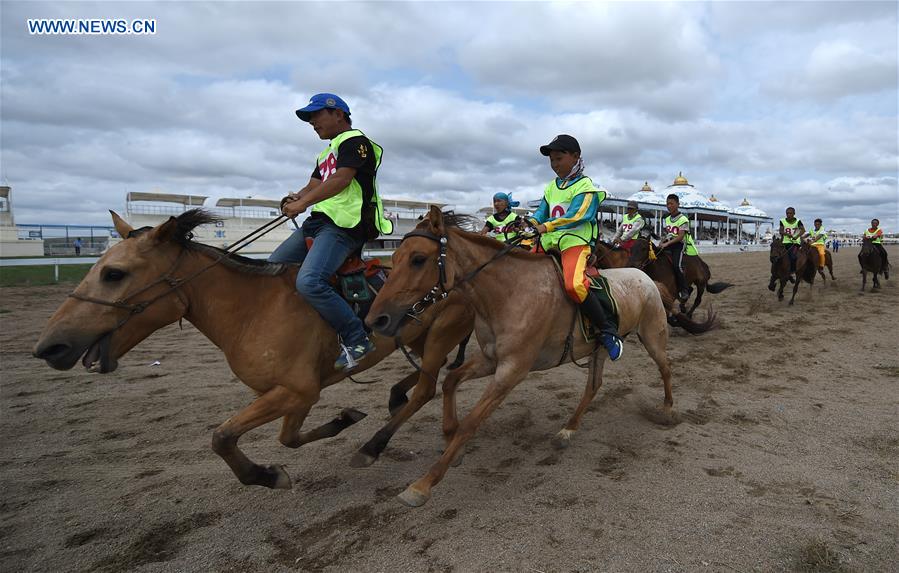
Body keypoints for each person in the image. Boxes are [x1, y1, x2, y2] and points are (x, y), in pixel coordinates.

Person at [269, 93, 393, 370]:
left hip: (345, 225)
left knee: (310, 281)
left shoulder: (355, 141)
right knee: (271, 268)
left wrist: (302, 203)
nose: (312, 122)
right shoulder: (327, 151)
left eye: (316, 115)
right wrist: (295, 199)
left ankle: (356, 338)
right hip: (320, 221)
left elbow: (341, 179)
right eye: (309, 118)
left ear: (338, 114)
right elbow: (313, 184)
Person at [527, 134, 623, 361]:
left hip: (575, 243)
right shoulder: (552, 187)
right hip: (549, 242)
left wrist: (545, 226)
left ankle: (608, 330)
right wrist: (529, 223)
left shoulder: (586, 186)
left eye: (559, 158)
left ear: (576, 156)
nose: (554, 164)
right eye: (551, 160)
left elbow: (579, 215)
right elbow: (542, 211)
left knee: (573, 285)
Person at [657, 194, 698, 302]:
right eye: (667, 204)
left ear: (678, 204)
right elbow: (668, 233)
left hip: (679, 245)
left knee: (677, 265)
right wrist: (662, 242)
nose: (669, 206)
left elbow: (680, 236)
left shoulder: (683, 219)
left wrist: (667, 244)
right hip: (669, 242)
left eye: (671, 203)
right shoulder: (667, 218)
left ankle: (684, 289)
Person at [775, 206, 805, 286]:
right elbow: (781, 231)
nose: (788, 215)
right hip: (785, 242)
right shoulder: (782, 221)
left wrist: (797, 236)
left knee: (793, 257)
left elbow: (803, 230)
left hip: (795, 243)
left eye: (790, 213)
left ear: (794, 214)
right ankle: (776, 272)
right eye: (787, 213)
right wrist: (787, 234)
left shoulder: (798, 221)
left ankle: (791, 272)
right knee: (776, 256)